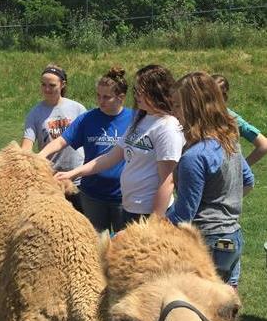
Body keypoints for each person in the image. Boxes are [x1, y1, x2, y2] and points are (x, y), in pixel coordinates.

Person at [167, 71, 254, 321]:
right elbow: (248, 181)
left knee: (208, 315)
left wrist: (150, 222)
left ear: (192, 107)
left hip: (208, 241)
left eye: (178, 106)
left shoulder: (194, 155)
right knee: (224, 311)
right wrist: (226, 205)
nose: (175, 113)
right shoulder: (229, 141)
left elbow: (184, 213)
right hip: (232, 237)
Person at [56, 64, 184, 224]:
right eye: (135, 91)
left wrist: (154, 222)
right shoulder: (141, 120)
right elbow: (110, 157)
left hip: (149, 214)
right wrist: (73, 173)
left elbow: (167, 180)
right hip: (130, 207)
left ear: (156, 91)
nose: (136, 96)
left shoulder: (167, 127)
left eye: (140, 91)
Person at [39, 66, 133, 233]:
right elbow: (62, 140)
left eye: (107, 97)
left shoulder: (134, 120)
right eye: (98, 96)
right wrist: (41, 155)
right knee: (94, 244)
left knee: (124, 247)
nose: (101, 101)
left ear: (121, 98)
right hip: (92, 195)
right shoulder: (88, 118)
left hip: (124, 196)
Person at [22, 64, 86, 211]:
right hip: (52, 180)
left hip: (78, 179)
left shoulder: (78, 109)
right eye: (43, 85)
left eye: (52, 85)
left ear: (62, 84)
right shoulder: (35, 113)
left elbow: (88, 139)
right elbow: (26, 145)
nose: (47, 89)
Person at [212, 74, 267, 166]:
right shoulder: (194, 113)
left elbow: (264, 144)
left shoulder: (231, 118)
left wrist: (242, 168)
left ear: (224, 97)